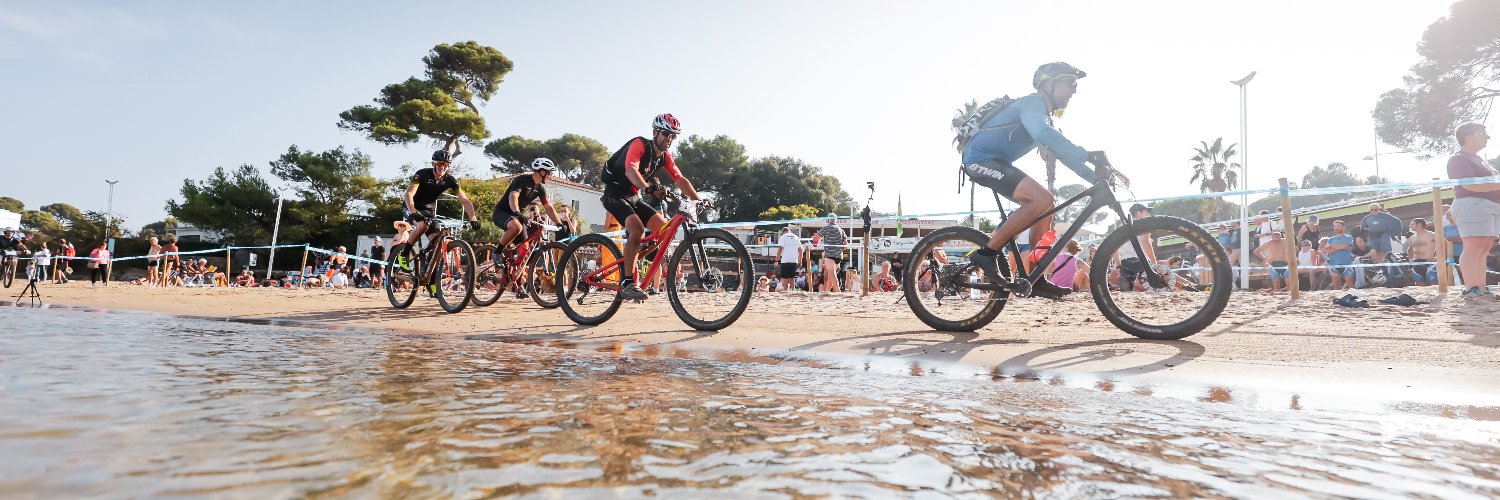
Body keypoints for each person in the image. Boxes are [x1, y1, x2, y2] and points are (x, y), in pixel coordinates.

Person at [961, 62, 1116, 299]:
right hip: (980, 160)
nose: (1074, 90)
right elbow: (1042, 134)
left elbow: (1064, 155)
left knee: (1048, 204)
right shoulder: (1033, 103)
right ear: (1049, 84)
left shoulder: (1043, 116)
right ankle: (986, 254)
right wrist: (1087, 154)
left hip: (997, 162)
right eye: (1070, 83)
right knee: (1041, 198)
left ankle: (1036, 275)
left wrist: (1096, 177)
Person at [598, 113, 706, 300]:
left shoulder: (664, 156)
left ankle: (634, 257)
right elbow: (630, 170)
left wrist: (698, 200)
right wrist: (648, 187)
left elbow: (679, 179)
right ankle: (627, 282)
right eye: (666, 134)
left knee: (664, 230)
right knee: (637, 229)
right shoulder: (640, 144)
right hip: (614, 193)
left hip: (633, 196)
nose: (669, 139)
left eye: (673, 136)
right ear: (655, 132)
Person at [394, 150, 481, 267]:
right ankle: (404, 254)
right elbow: (409, 194)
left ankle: (431, 277)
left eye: (446, 165)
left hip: (429, 211)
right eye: (440, 164)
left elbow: (465, 200)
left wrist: (473, 218)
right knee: (421, 226)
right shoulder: (422, 174)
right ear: (433, 164)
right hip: (411, 206)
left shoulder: (450, 180)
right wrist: (414, 211)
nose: (442, 167)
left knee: (437, 245)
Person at [1447, 122, 1500, 300]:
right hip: (1473, 204)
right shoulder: (1459, 158)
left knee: (1484, 247)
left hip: (1489, 206)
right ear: (1468, 136)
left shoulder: (1480, 159)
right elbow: (1468, 184)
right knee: (1473, 247)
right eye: (1483, 134)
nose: (1487, 137)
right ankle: (1471, 288)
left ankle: (1481, 287)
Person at [494, 158, 566, 251]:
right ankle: (497, 252)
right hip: (502, 213)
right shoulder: (521, 180)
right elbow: (513, 196)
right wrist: (516, 211)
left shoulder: (540, 189)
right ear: (542, 172)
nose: (550, 176)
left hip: (517, 217)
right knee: (516, 227)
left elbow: (548, 207)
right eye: (549, 173)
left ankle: (516, 264)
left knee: (525, 249)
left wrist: (559, 223)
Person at [1113, 204, 1158, 292]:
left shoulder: (1122, 227)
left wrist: (1119, 265)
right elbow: (1145, 242)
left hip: (1125, 261)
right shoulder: (1144, 225)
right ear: (1138, 213)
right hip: (1141, 260)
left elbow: (1115, 249)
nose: (1149, 215)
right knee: (1153, 287)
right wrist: (1154, 263)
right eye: (1147, 212)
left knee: (1126, 291)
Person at [1324, 220, 1357, 290]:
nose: (1336, 228)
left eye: (1338, 226)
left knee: (1350, 284)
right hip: (1334, 264)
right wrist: (1341, 247)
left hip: (1347, 264)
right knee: (1336, 286)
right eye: (1335, 226)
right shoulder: (1331, 239)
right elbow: (1327, 251)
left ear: (1343, 227)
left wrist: (1331, 246)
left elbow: (1345, 246)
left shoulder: (1349, 237)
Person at [817, 216, 846, 293]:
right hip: (839, 255)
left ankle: (838, 291)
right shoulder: (841, 230)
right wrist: (838, 249)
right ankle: (827, 291)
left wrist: (816, 238)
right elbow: (845, 246)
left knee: (832, 274)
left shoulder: (826, 228)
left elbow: (816, 238)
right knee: (831, 275)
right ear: (836, 220)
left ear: (828, 220)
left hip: (829, 254)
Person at [1405, 218, 1438, 286]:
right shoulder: (1412, 238)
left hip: (1429, 262)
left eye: (1412, 224)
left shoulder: (1432, 235)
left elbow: (1444, 244)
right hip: (1416, 262)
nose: (1410, 225)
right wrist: (1410, 260)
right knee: (1419, 283)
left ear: (1419, 225)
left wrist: (1438, 257)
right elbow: (1410, 249)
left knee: (1433, 283)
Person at [775, 227, 801, 292]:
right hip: (794, 260)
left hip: (785, 259)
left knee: (785, 277)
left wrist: (776, 260)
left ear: (783, 232)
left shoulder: (783, 237)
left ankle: (786, 290)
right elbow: (800, 250)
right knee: (792, 277)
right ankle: (793, 290)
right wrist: (800, 261)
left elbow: (780, 249)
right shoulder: (796, 237)